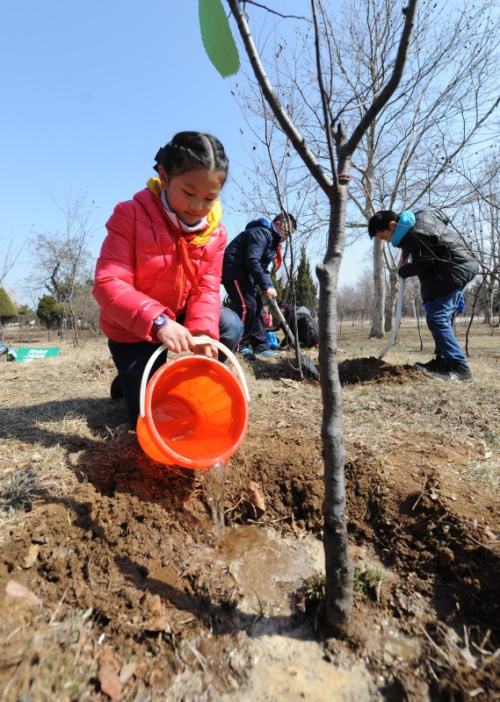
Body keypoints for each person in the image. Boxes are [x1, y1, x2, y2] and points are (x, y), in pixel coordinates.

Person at [93, 131, 243, 423]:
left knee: (229, 325)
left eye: (210, 198)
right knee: (148, 417)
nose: (198, 206)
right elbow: (108, 283)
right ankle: (130, 379)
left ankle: (182, 382)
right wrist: (158, 322)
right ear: (163, 175)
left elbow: (207, 290)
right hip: (134, 328)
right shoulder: (130, 216)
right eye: (188, 193)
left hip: (180, 316)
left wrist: (201, 331)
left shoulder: (215, 234)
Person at [368, 209, 479, 382]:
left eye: (385, 237)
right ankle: (443, 361)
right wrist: (410, 250)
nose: (388, 241)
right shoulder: (419, 218)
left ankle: (460, 368)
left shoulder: (413, 235)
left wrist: (404, 270)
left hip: (452, 272)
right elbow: (442, 217)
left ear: (392, 225)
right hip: (457, 268)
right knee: (442, 318)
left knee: (437, 319)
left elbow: (426, 261)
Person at [222, 213, 296, 359]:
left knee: (256, 306)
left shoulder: (272, 242)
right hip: (234, 270)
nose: (287, 237)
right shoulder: (261, 233)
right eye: (288, 233)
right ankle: (239, 344)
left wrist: (269, 285)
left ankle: (261, 346)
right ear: (280, 224)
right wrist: (264, 285)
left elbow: (263, 268)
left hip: (246, 274)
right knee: (247, 305)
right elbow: (252, 260)